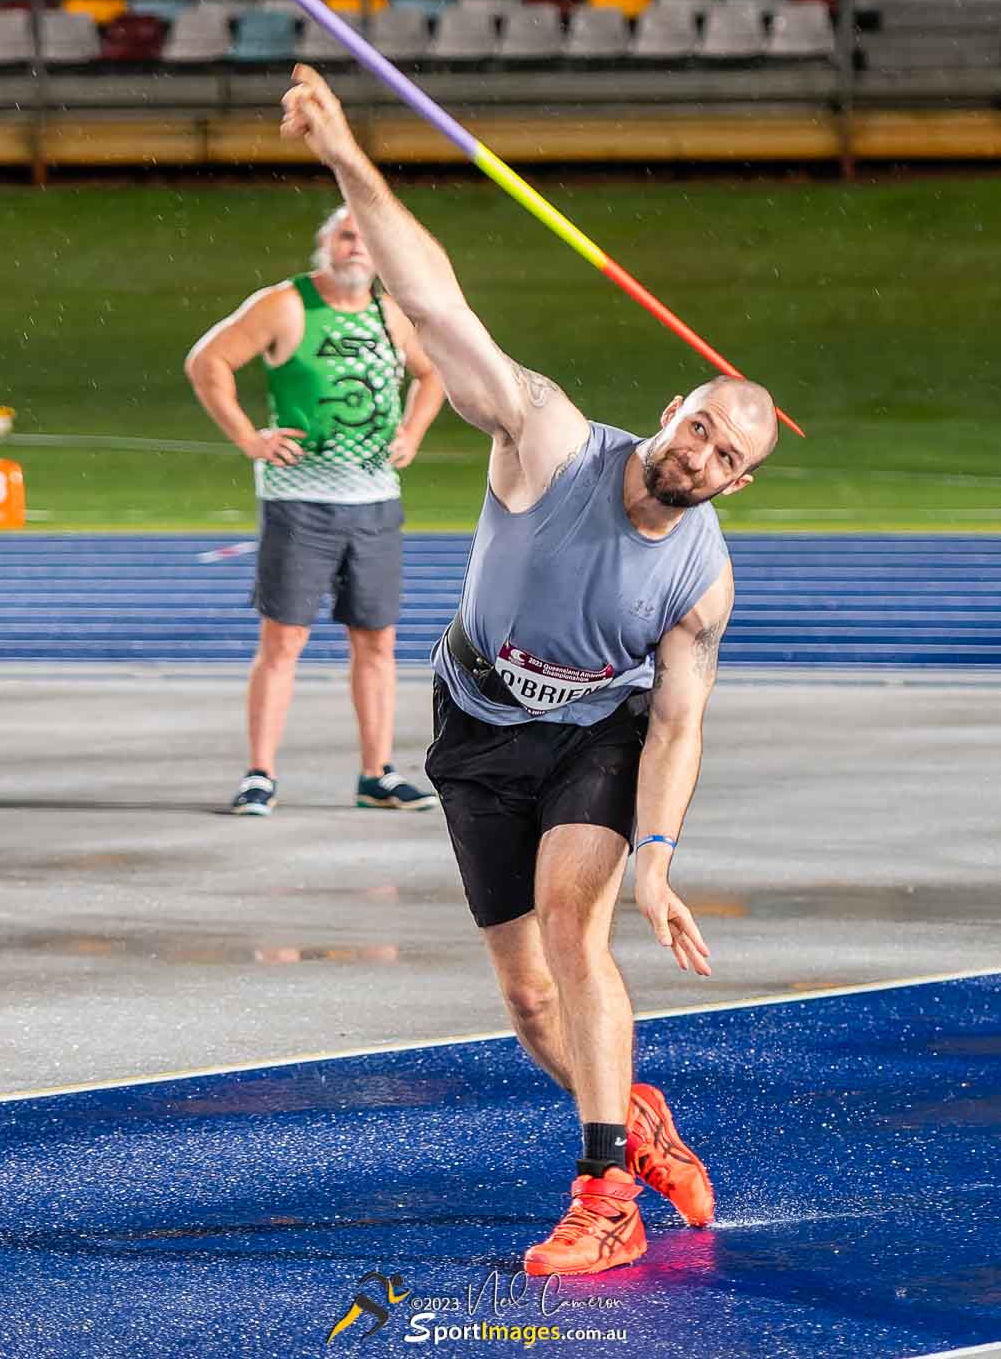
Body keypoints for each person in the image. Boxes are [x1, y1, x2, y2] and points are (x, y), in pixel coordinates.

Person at [280, 66, 781, 1277]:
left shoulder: (700, 584)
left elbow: (675, 728)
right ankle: (634, 1115)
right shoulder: (548, 435)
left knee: (578, 931)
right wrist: (350, 157)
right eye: (702, 424)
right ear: (673, 408)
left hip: (594, 743)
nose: (704, 453)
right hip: (474, 726)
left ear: (738, 484)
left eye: (729, 456)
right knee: (530, 1006)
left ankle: (604, 1188)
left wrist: (657, 859)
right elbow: (437, 305)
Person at [186, 205, 445, 816]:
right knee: (284, 641)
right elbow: (207, 362)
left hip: (375, 503)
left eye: (366, 238)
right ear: (325, 246)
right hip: (299, 503)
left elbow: (432, 373)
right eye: (345, 236)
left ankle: (377, 774)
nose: (357, 247)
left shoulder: (392, 313)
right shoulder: (286, 304)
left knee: (377, 641)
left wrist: (413, 430)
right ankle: (260, 774)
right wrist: (250, 437)